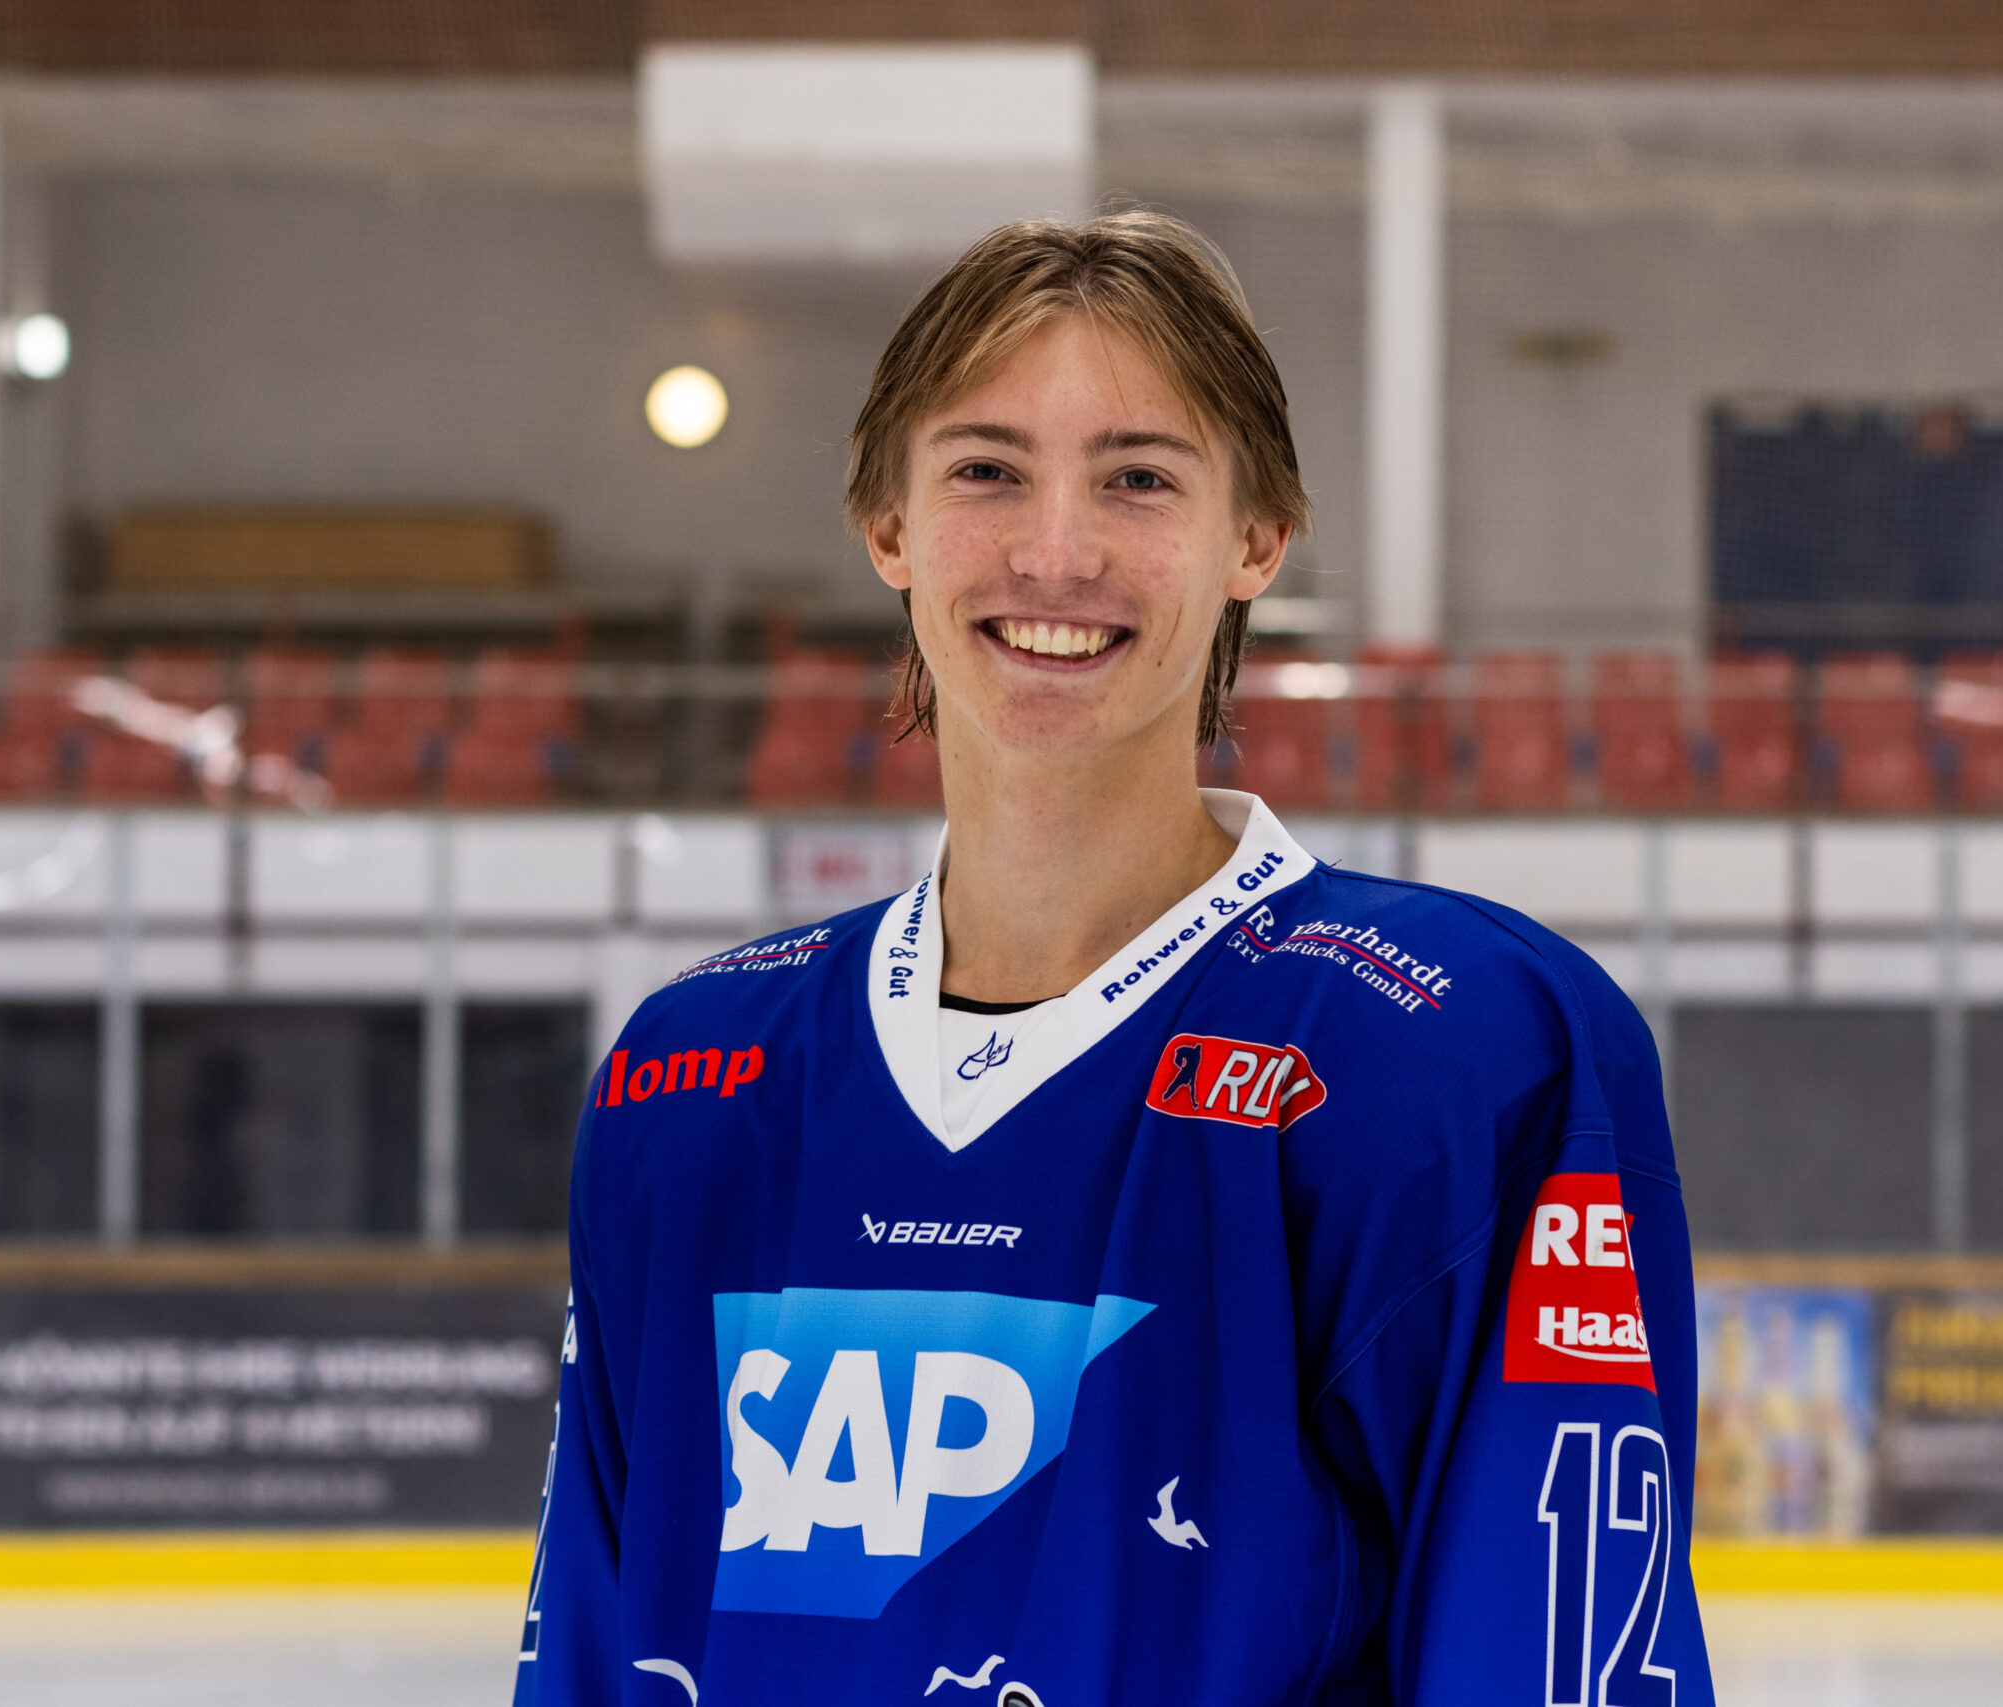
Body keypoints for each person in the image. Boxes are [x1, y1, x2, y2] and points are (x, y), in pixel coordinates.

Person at [515, 211, 1712, 1706]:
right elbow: (598, 1646)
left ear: (1256, 539)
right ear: (887, 528)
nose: (1057, 551)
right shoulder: (692, 1080)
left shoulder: (1451, 1052)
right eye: (986, 471)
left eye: (1140, 478)